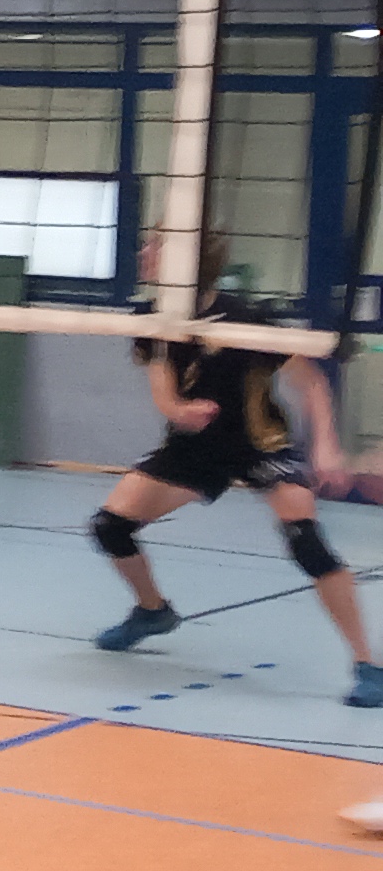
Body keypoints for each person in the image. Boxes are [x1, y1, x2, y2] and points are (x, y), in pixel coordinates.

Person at [90, 231, 382, 708]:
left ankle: (368, 665)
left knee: (306, 542)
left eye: (154, 245)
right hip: (194, 448)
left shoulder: (248, 319)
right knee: (110, 527)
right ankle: (152, 611)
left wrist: (327, 445)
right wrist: (179, 410)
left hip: (259, 444)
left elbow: (310, 383)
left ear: (187, 259)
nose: (143, 253)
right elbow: (164, 390)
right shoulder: (151, 317)